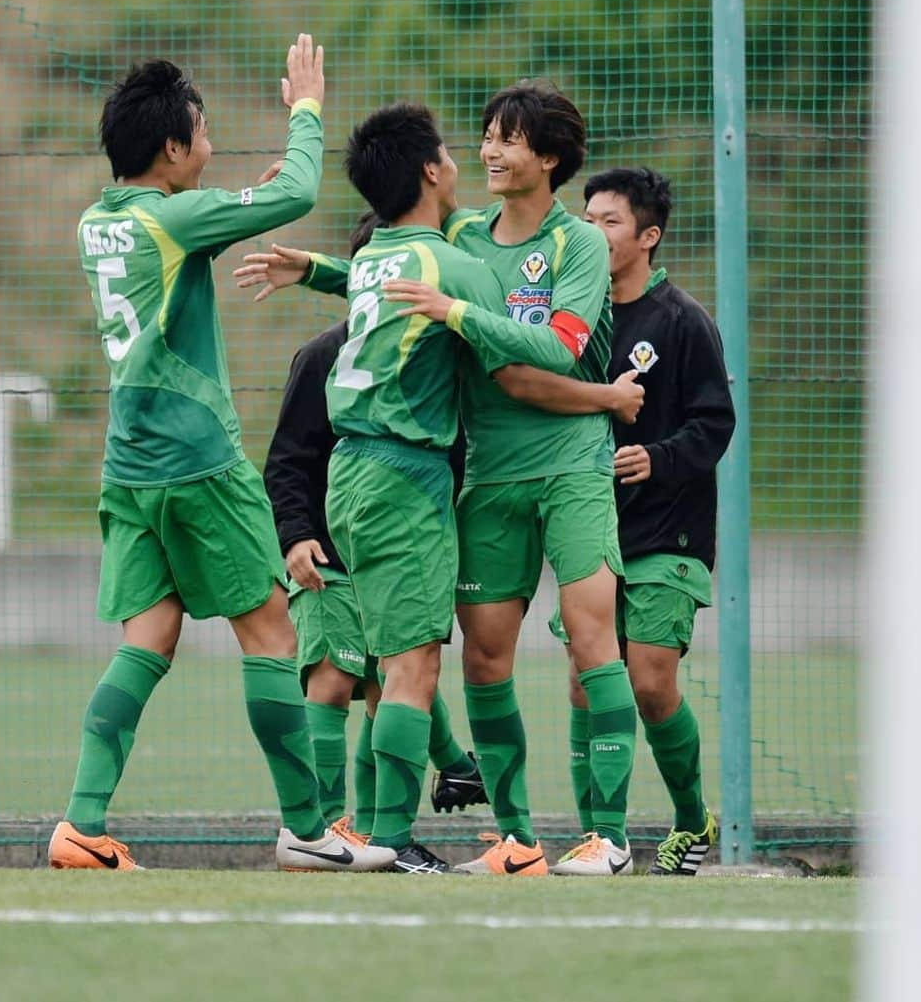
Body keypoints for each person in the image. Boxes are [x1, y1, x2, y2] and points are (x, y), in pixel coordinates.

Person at [244, 82, 643, 877]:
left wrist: (450, 313)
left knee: (591, 641)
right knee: (478, 661)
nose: (488, 151)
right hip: (483, 476)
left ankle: (611, 835)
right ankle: (520, 840)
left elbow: (551, 351)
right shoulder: (462, 236)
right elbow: (391, 267)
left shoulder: (579, 245)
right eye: (484, 137)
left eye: (508, 139)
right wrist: (325, 269)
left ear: (550, 157)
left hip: (569, 467)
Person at [48, 36, 393, 874]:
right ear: (171, 148)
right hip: (200, 463)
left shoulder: (99, 220)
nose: (208, 144)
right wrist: (306, 108)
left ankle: (81, 825)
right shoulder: (173, 215)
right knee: (274, 637)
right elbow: (298, 190)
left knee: (150, 637)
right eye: (201, 130)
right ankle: (307, 828)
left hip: (128, 470)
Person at [496, 167, 736, 875]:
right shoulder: (581, 313)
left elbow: (715, 423)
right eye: (587, 216)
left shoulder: (684, 321)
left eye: (609, 222)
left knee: (651, 679)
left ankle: (692, 819)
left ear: (648, 237)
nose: (591, 231)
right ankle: (601, 837)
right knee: (583, 678)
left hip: (669, 532)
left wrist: (655, 460)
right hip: (595, 528)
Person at [262, 211, 488, 836]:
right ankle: (325, 831)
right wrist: (294, 535)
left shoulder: (436, 358)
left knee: (395, 677)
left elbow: (455, 449)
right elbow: (286, 459)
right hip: (326, 554)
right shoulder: (322, 357)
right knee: (336, 681)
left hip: (401, 538)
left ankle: (390, 829)